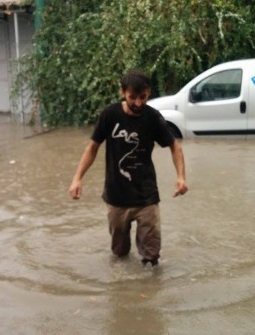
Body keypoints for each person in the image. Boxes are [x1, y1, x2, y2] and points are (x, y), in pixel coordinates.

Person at [68, 71, 188, 266]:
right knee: (120, 254)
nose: (139, 103)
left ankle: (152, 290)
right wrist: (77, 178)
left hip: (146, 196)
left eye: (143, 97)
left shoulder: (152, 118)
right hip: (116, 196)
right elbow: (92, 148)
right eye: (133, 97)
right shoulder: (110, 115)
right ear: (122, 92)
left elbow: (175, 146)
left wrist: (181, 177)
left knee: (151, 256)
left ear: (148, 93)